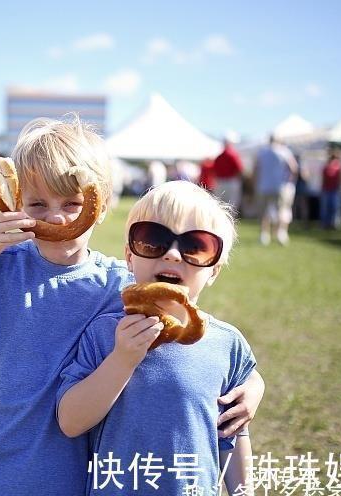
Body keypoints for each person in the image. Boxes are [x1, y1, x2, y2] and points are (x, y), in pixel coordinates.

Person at [0, 117, 264, 495]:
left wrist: (254, 385)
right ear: (16, 202)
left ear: (100, 207)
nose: (56, 217)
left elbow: (199, 349)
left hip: (70, 482)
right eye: (37, 204)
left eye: (72, 203)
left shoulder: (123, 286)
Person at [58, 181, 256, 495]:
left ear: (214, 270)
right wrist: (121, 361)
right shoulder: (104, 334)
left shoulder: (227, 344)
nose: (173, 255)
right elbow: (70, 421)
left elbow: (233, 434)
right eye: (153, 240)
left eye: (196, 246)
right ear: (129, 257)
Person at [255, 135, 297, 246]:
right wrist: (289, 182)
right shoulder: (284, 151)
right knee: (282, 210)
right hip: (281, 186)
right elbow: (293, 168)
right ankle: (281, 234)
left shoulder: (262, 152)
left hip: (263, 186)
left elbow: (256, 169)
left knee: (264, 211)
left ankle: (264, 235)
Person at [214, 137, 245, 213]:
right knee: (232, 205)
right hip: (231, 182)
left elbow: (214, 170)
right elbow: (240, 169)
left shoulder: (218, 157)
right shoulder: (233, 154)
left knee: (220, 205)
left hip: (220, 182)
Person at [320, 150, 341, 229]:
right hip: (327, 189)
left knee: (334, 208)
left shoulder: (339, 167)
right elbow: (323, 179)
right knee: (326, 208)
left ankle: (334, 224)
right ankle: (325, 224)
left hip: (335, 190)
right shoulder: (326, 167)